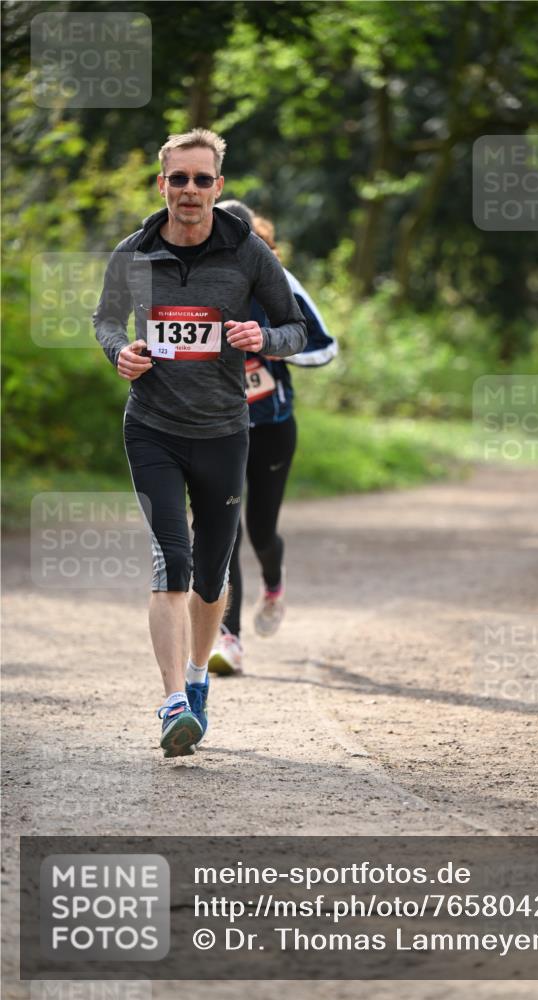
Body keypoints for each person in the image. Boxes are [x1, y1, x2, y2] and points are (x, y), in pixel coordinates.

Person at [93, 130, 306, 757]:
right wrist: (119, 351)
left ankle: (197, 678)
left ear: (218, 185)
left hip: (222, 430)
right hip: (152, 426)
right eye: (178, 179)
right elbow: (105, 318)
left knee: (212, 574)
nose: (189, 190)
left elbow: (293, 326)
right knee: (172, 558)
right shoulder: (132, 253)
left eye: (201, 179)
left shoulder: (247, 253)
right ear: (162, 185)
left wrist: (261, 338)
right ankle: (172, 703)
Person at [208, 201, 337, 675]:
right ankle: (228, 639)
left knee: (260, 529)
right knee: (222, 530)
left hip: (271, 426)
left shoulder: (276, 277)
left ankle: (274, 581)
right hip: (214, 426)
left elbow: (324, 346)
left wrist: (270, 344)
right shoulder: (190, 272)